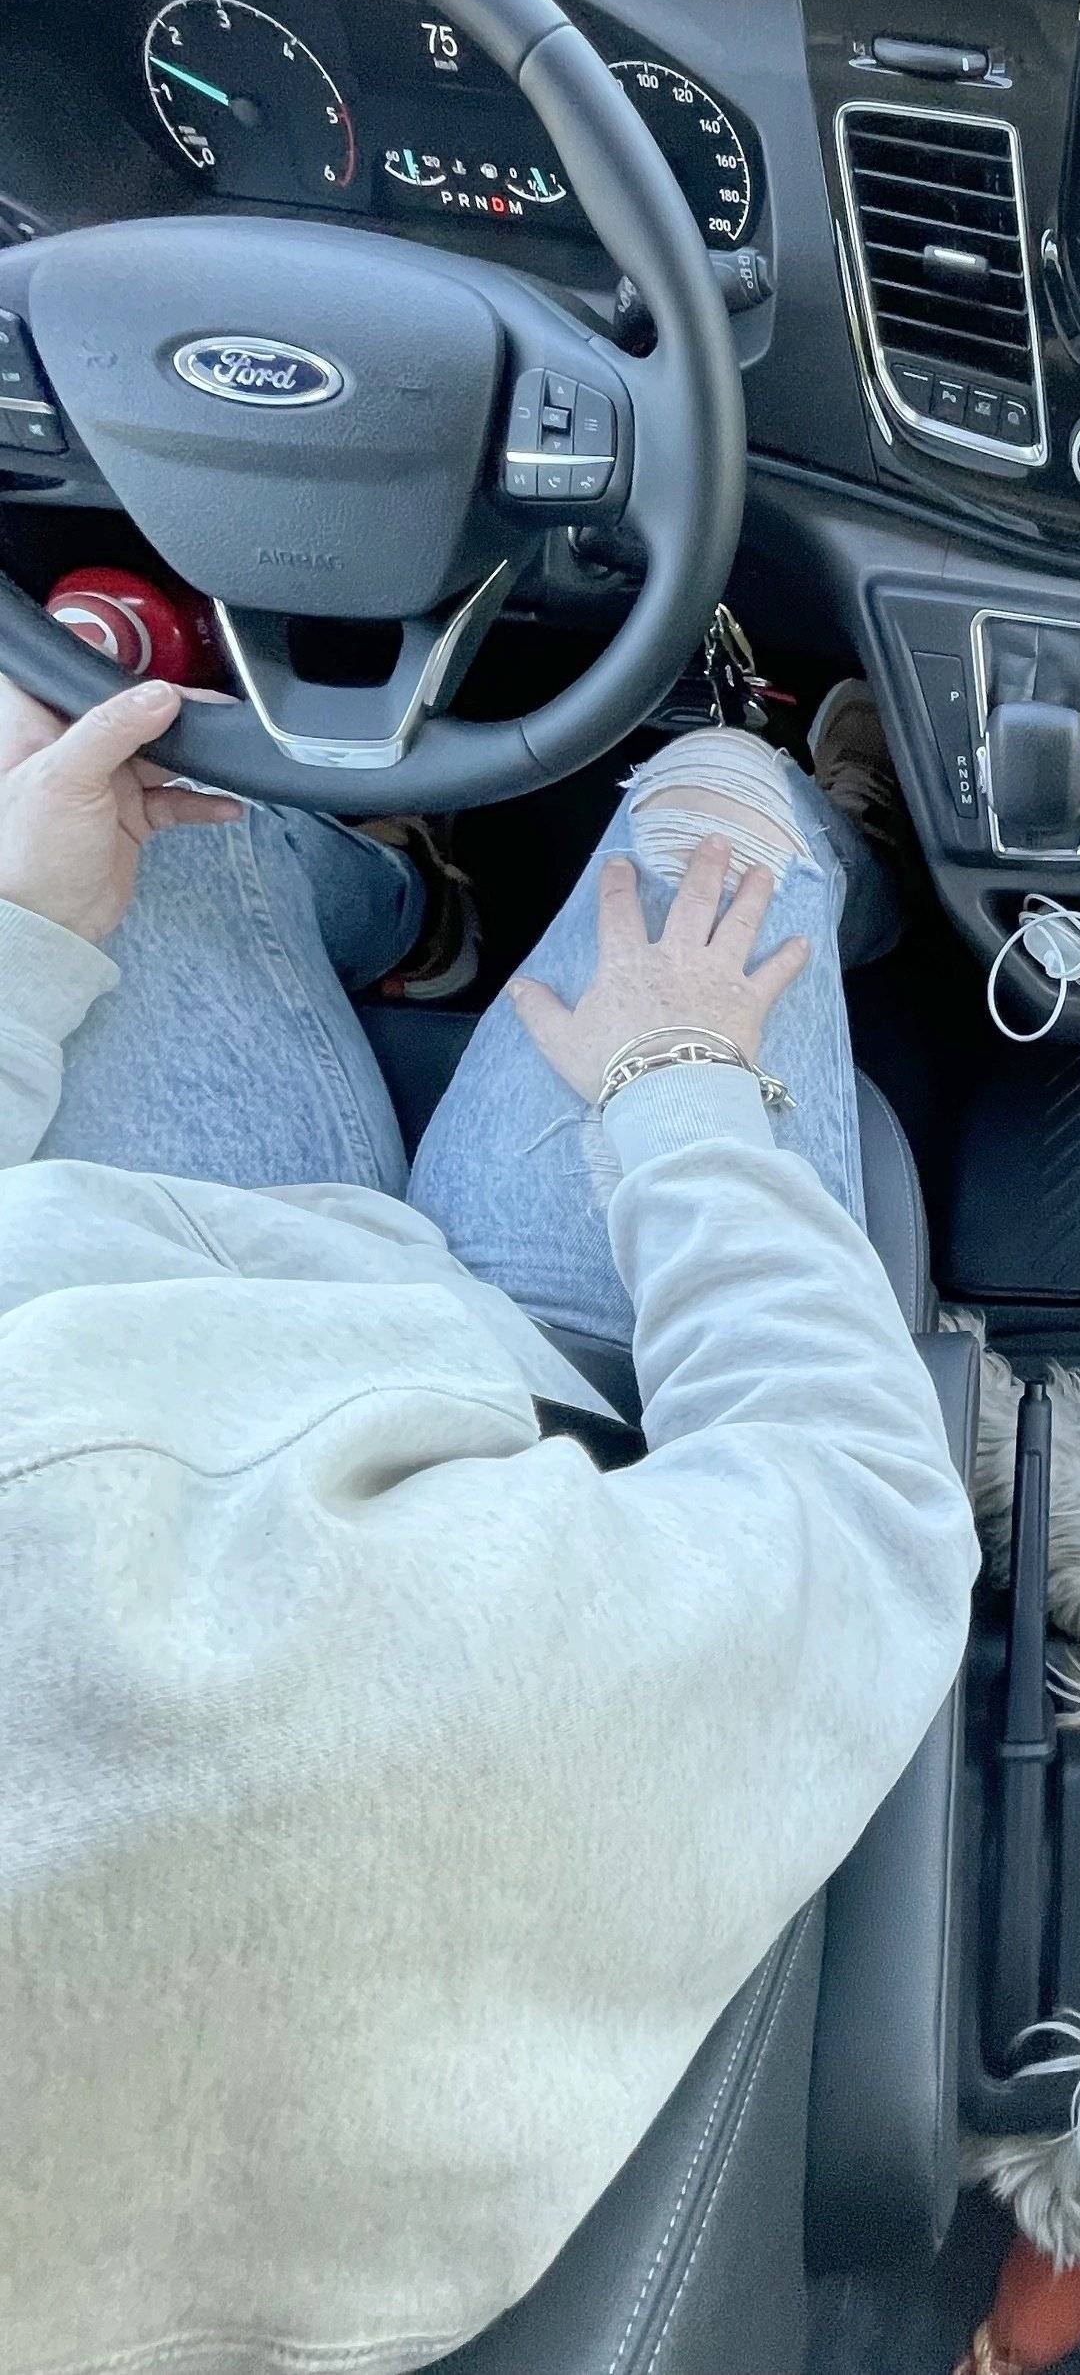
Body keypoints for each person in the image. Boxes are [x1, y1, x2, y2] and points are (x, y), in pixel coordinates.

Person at [0, 671, 979, 2375]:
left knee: (165, 815)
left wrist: (20, 955)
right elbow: (863, 1501)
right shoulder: (316, 1784)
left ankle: (411, 904)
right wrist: (680, 1080)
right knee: (720, 814)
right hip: (548, 1389)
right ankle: (852, 856)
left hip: (127, 1255)